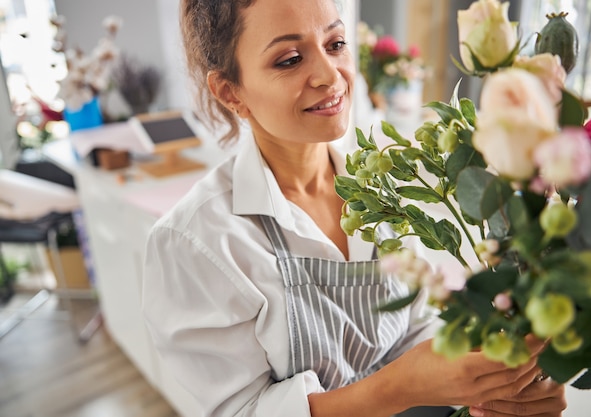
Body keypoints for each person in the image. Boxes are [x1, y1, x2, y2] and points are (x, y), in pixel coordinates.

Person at [141, 0, 567, 416]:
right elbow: (244, 410)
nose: (330, 75)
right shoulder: (193, 242)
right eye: (289, 59)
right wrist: (401, 387)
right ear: (231, 92)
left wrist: (495, 391)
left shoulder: (383, 181)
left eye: (336, 43)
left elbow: (417, 325)